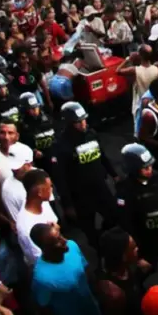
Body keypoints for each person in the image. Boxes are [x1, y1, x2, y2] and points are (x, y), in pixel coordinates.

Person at [52, 101, 120, 240]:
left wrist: (114, 174)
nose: (83, 124)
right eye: (78, 122)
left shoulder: (91, 134)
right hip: (80, 195)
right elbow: (61, 177)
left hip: (100, 186)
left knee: (115, 217)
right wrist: (68, 204)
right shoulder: (61, 145)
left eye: (84, 120)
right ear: (69, 124)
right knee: (89, 229)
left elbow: (102, 155)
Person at [29, 222, 104, 315]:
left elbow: (86, 271)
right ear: (46, 248)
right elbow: (44, 308)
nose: (64, 241)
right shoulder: (41, 277)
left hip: (92, 310)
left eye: (61, 236)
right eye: (57, 241)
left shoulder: (72, 246)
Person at [96, 228, 150, 315]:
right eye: (133, 248)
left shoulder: (117, 265)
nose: (138, 249)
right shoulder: (113, 295)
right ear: (123, 257)